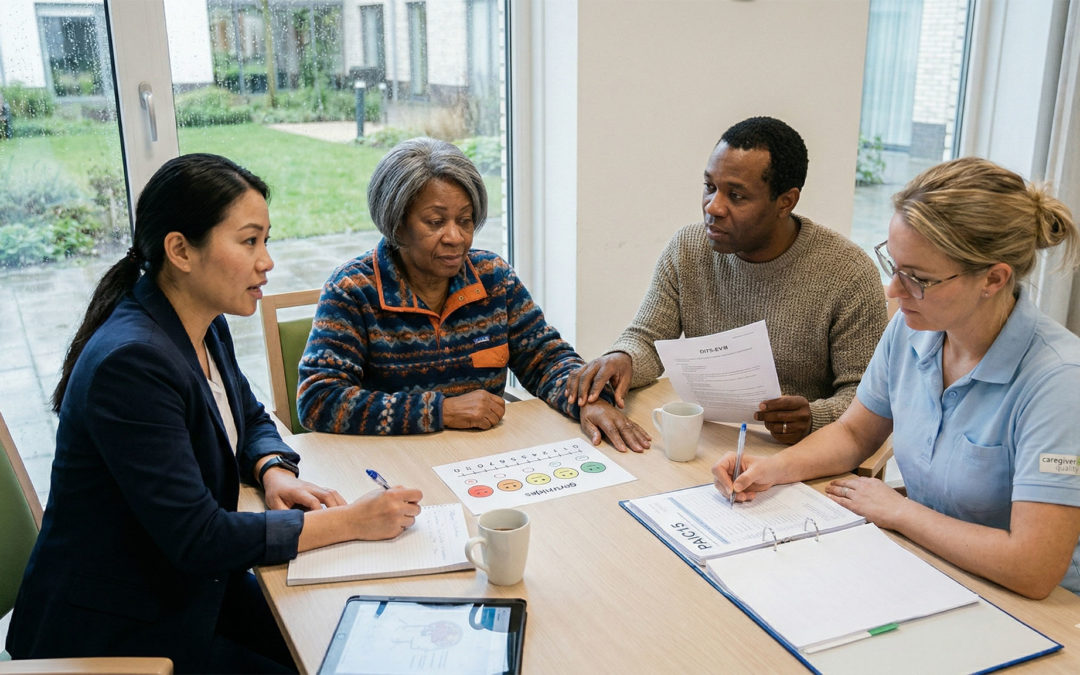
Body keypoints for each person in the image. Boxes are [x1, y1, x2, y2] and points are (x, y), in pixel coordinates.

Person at [5, 154, 423, 673]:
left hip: (186, 590)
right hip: (117, 631)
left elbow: (249, 415)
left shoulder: (200, 321)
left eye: (266, 240)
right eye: (249, 241)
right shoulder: (131, 363)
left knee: (346, 646)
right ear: (180, 249)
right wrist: (349, 522)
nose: (266, 260)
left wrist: (271, 470)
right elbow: (200, 539)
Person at [714, 157, 1080, 599]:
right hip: (933, 568)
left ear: (994, 278)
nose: (894, 291)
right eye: (895, 265)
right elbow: (853, 433)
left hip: (1037, 610)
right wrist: (773, 470)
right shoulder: (912, 329)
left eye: (918, 278)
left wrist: (899, 511)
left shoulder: (1059, 383)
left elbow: (1033, 567)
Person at [297, 137, 649, 452]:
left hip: (483, 457)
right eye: (435, 222)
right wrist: (440, 411)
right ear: (397, 222)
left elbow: (546, 359)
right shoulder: (352, 291)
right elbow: (318, 400)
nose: (456, 237)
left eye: (465, 221)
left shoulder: (492, 277)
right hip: (395, 464)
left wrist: (588, 401)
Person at [567, 116, 887, 444]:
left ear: (786, 202)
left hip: (805, 452)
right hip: (712, 441)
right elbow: (648, 338)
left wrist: (815, 417)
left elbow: (869, 394)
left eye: (736, 196)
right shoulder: (687, 249)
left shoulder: (848, 274)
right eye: (710, 187)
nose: (713, 206)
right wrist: (624, 358)